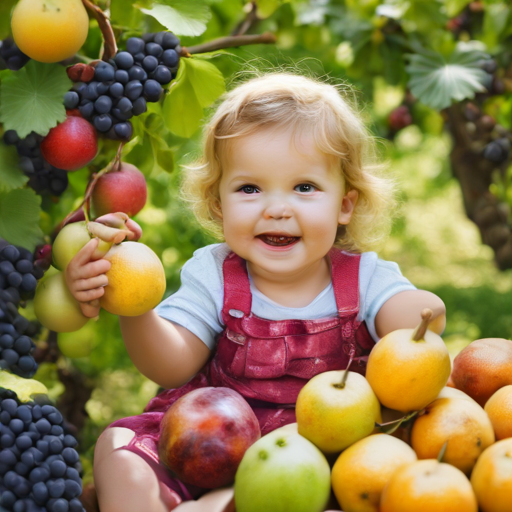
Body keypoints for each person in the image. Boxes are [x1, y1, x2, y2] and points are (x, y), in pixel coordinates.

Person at [65, 73, 446, 512]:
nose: (277, 208)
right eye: (250, 188)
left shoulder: (363, 278)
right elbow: (171, 365)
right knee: (118, 449)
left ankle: (217, 504)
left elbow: (410, 324)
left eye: (304, 187)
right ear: (218, 204)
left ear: (345, 204)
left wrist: (419, 315)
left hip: (315, 451)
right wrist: (134, 306)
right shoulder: (214, 273)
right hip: (206, 437)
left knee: (271, 497)